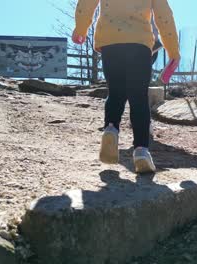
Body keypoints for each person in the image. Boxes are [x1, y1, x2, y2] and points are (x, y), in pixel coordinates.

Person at [72, 0, 180, 173]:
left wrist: (81, 28)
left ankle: (111, 128)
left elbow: (86, 2)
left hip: (110, 42)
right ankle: (141, 151)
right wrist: (173, 50)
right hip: (139, 44)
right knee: (138, 97)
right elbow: (164, 16)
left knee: (115, 92)